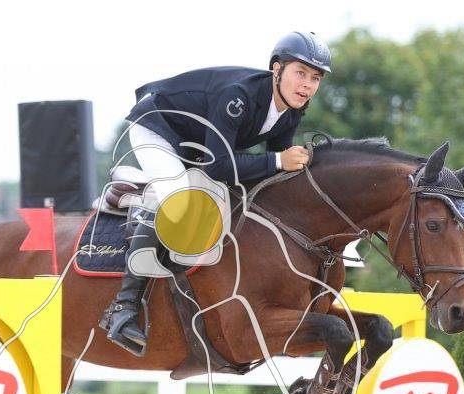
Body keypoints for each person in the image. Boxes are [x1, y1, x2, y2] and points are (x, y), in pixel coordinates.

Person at [99, 31, 332, 355]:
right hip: (158, 127)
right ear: (277, 69)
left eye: (315, 78)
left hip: (197, 144)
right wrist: (280, 160)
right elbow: (220, 167)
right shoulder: (238, 98)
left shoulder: (292, 109)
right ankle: (122, 308)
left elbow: (273, 173)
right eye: (300, 73)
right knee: (179, 199)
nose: (307, 85)